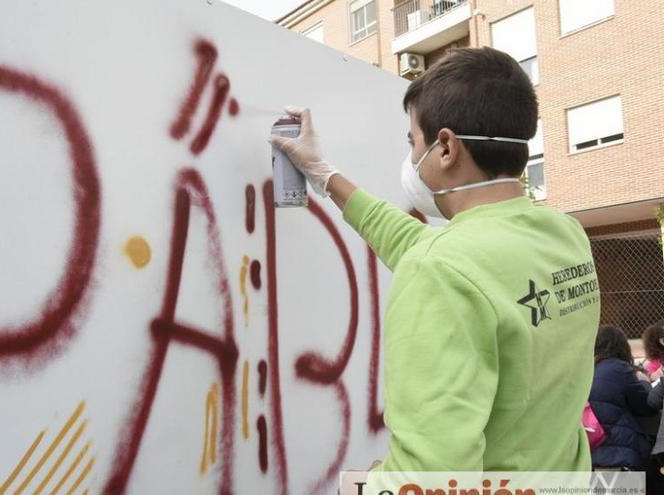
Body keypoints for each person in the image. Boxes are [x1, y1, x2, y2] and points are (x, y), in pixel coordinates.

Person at [269, 47, 601, 471]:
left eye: (414, 142)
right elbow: (419, 243)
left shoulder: (442, 269)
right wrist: (323, 174)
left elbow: (433, 477)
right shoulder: (563, 233)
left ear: (445, 147)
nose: (411, 159)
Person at [589, 325, 656, 471]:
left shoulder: (586, 369)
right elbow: (647, 406)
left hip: (588, 454)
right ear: (622, 346)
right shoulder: (620, 368)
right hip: (621, 454)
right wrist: (644, 381)